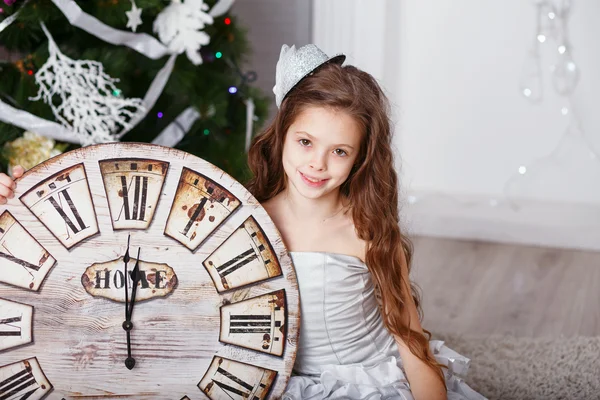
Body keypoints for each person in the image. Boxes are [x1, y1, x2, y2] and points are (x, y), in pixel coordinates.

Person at [0, 44, 486, 400]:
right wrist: (22, 197)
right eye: (305, 142)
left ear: (360, 160)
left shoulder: (367, 232)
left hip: (365, 383)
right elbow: (128, 234)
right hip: (266, 377)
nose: (317, 164)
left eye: (339, 151)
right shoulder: (239, 221)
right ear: (281, 137)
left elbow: (409, 339)